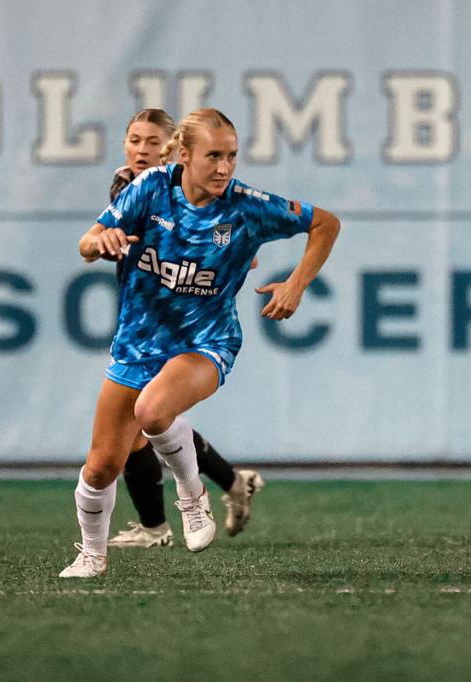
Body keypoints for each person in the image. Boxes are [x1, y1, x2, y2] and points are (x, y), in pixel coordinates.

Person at [61, 107, 341, 577]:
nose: (225, 167)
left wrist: (297, 283)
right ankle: (92, 554)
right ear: (185, 156)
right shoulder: (150, 188)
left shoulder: (247, 205)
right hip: (138, 344)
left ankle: (192, 495)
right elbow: (87, 243)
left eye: (232, 155)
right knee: (100, 468)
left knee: (152, 411)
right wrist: (100, 239)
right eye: (214, 156)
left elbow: (325, 224)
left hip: (206, 341)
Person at [104, 109, 264, 549]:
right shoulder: (130, 185)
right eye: (134, 139)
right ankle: (230, 483)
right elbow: (106, 236)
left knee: (145, 419)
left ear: (173, 150)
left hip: (185, 325)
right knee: (151, 417)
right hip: (145, 322)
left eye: (152, 142)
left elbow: (240, 245)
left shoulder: (187, 189)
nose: (142, 149)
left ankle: (158, 526)